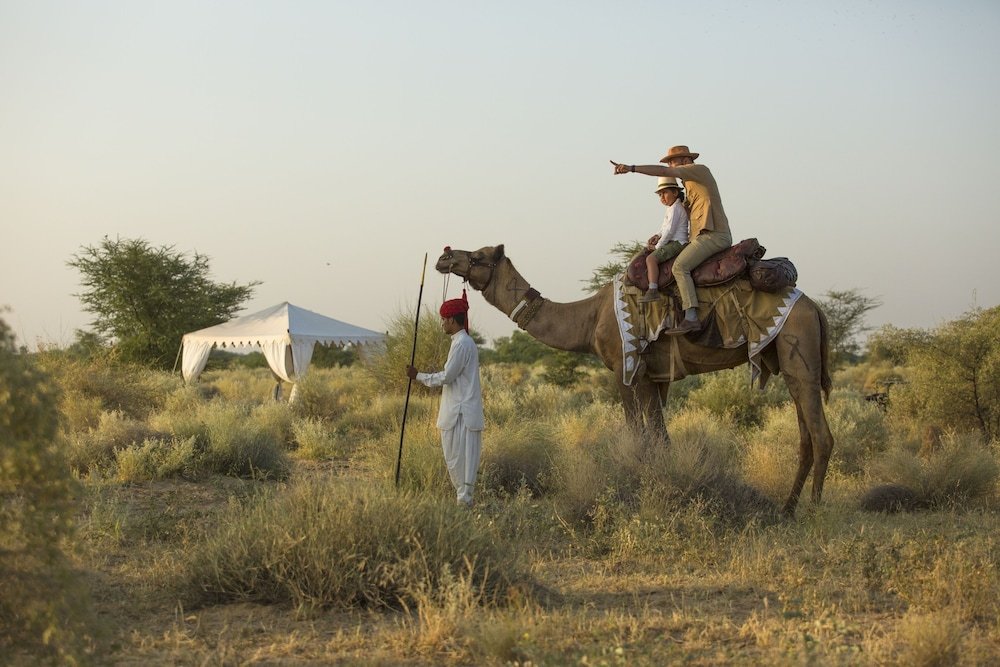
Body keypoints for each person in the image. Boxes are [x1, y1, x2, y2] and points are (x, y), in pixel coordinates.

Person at [612, 145, 733, 334]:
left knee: (679, 267)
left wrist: (631, 168)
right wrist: (659, 236)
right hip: (700, 237)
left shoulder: (699, 171)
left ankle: (691, 317)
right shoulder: (690, 186)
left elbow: (663, 172)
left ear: (685, 161)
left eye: (672, 162)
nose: (670, 166)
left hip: (714, 235)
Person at [406, 293, 484, 507]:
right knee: (456, 460)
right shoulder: (460, 342)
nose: (441, 323)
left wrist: (418, 376)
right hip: (458, 413)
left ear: (451, 320)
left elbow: (447, 376)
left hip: (462, 415)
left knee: (461, 461)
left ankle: (464, 504)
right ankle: (464, 502)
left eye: (443, 319)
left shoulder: (462, 344)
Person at [639, 176, 689, 303]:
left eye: (665, 193)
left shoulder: (676, 209)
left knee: (651, 259)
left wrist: (658, 246)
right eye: (660, 194)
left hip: (678, 243)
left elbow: (669, 231)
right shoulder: (671, 208)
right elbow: (664, 227)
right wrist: (657, 235)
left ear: (675, 192)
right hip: (673, 241)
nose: (662, 197)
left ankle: (653, 289)